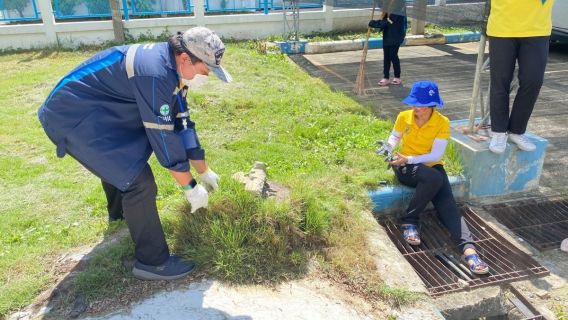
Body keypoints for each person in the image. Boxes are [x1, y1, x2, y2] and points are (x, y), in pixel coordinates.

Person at [37, 27, 231, 281]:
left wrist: (203, 171)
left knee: (124, 160)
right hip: (73, 117)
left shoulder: (174, 71)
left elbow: (182, 122)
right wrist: (190, 187)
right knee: (138, 182)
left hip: (99, 110)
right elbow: (163, 138)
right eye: (205, 70)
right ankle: (153, 263)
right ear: (186, 58)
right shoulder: (155, 74)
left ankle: (121, 216)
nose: (205, 77)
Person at [380, 81, 489, 275]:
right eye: (413, 102)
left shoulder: (442, 122)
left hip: (428, 166)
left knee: (448, 204)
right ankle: (409, 220)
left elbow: (435, 156)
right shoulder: (403, 117)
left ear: (432, 106)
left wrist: (411, 158)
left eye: (421, 104)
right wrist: (389, 147)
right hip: (404, 166)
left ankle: (469, 250)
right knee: (434, 178)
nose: (416, 107)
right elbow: (395, 137)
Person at [486, 0, 555, 154]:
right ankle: (498, 131)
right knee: (500, 81)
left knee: (533, 80)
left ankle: (516, 130)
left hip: (538, 29)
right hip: (502, 28)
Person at [368, 5, 407, 86]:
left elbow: (390, 20)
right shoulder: (388, 4)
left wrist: (374, 23)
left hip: (397, 34)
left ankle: (397, 77)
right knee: (386, 55)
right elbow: (382, 6)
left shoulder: (400, 4)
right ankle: (386, 77)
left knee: (393, 54)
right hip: (388, 34)